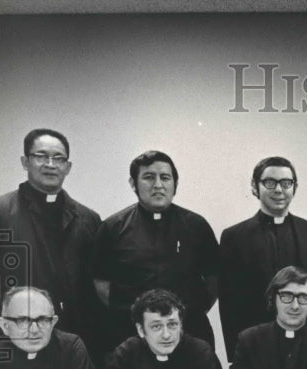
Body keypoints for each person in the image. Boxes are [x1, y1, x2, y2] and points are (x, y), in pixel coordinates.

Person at [0, 128, 102, 357]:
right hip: (16, 341)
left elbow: (92, 293)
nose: (50, 164)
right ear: (25, 162)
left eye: (58, 158)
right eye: (41, 156)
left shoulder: (88, 219)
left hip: (73, 345)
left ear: (68, 167)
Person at [93, 150, 219, 354]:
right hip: (131, 335)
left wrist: (193, 312)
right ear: (133, 184)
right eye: (149, 177)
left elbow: (214, 280)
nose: (158, 185)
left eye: (165, 178)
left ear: (175, 185)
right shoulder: (112, 228)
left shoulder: (196, 226)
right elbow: (101, 284)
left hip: (189, 332)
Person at [219, 156, 307, 361]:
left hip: (306, 341)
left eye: (286, 183)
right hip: (256, 343)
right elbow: (229, 301)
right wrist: (235, 353)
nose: (279, 190)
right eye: (270, 182)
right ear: (255, 186)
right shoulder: (234, 236)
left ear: (295, 187)